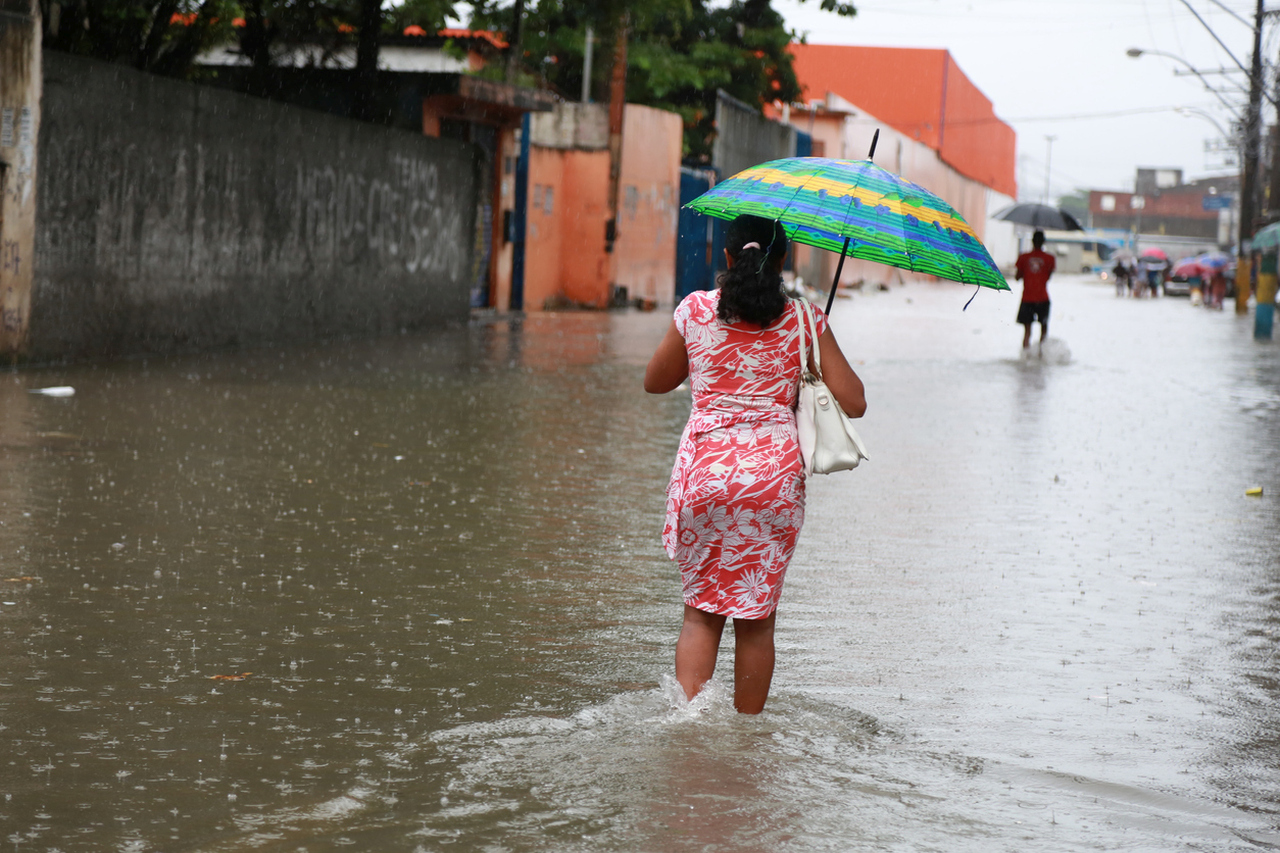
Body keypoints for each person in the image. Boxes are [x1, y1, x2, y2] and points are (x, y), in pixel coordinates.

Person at [644, 214, 866, 714]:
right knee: (757, 618)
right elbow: (855, 402)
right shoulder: (805, 320)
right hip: (772, 482)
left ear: (725, 257)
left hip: (707, 473)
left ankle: (689, 725)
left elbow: (655, 382)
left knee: (701, 615)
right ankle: (746, 739)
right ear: (783, 261)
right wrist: (809, 362)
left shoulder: (696, 310)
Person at [1014, 230, 1055, 350]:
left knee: (1027, 332)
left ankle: (1025, 357)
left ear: (1032, 241)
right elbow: (1048, 277)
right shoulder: (1050, 258)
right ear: (1043, 242)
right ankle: (1041, 355)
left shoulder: (1023, 257)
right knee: (1044, 329)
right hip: (1043, 298)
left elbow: (1017, 277)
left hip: (1027, 298)